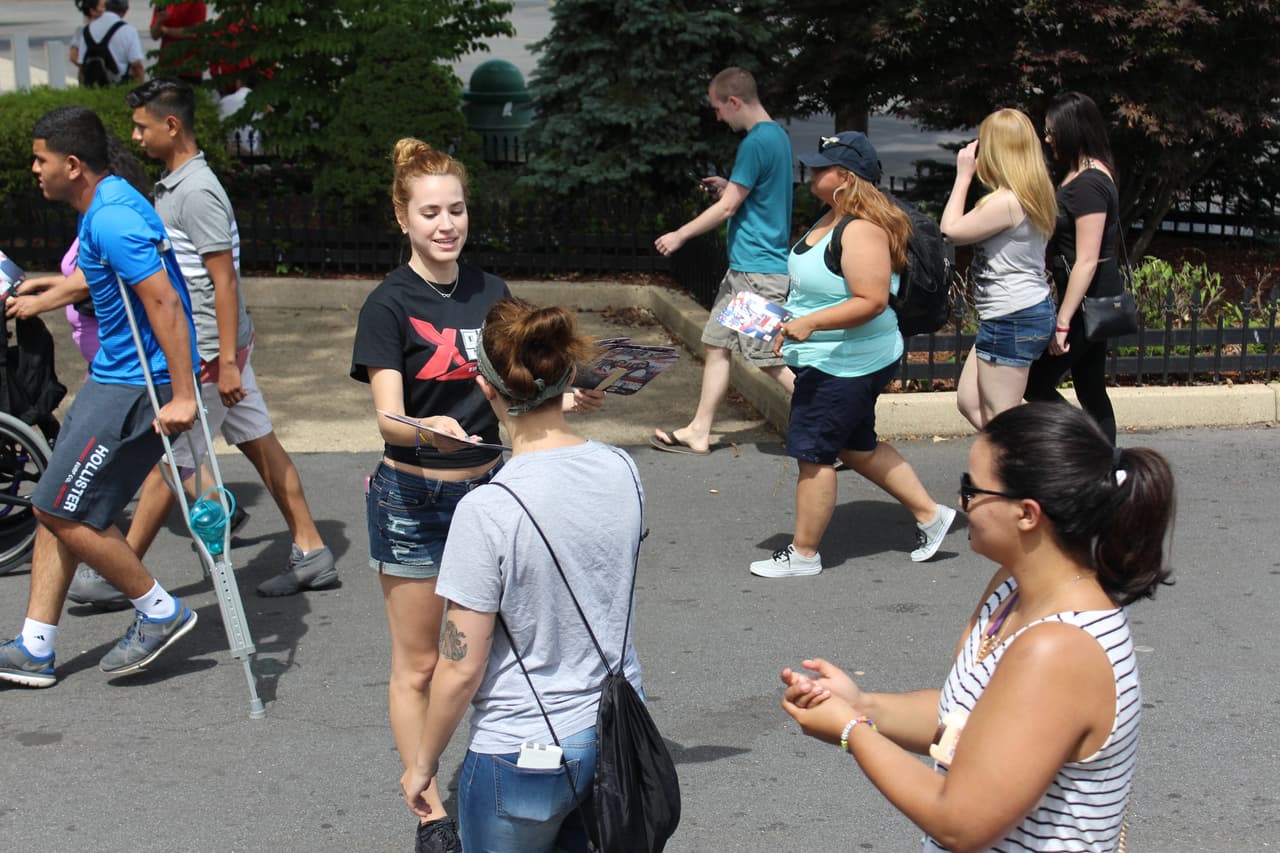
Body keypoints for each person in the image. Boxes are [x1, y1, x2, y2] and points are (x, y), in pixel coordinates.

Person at [351, 138, 603, 853]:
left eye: (455, 209)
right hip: (415, 498)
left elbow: (524, 382)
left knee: (487, 653)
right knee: (423, 661)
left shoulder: (495, 294)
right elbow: (386, 417)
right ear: (402, 217)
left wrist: (566, 395)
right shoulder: (387, 304)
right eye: (429, 212)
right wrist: (422, 427)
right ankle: (429, 808)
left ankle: (497, 775)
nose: (445, 223)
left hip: (494, 493)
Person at [780, 401, 1175, 851]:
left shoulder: (1060, 649)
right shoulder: (1012, 587)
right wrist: (862, 703)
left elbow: (962, 823)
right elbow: (966, 720)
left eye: (972, 489)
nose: (961, 502)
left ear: (1027, 513)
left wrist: (853, 731)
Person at [73, 77, 333, 603]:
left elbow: (224, 279)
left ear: (172, 126)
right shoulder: (175, 185)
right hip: (219, 349)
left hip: (212, 354)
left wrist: (228, 364)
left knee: (169, 462)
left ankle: (117, 572)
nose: (136, 136)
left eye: (143, 127)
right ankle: (313, 552)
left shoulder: (197, 191)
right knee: (259, 443)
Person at [400, 297, 646, 853]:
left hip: (524, 748)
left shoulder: (489, 509)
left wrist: (423, 763)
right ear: (567, 378)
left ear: (489, 390)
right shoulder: (623, 470)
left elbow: (461, 667)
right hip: (616, 731)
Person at [0, 105, 199, 688]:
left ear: (73, 164)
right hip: (115, 375)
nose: (34, 169)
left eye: (40, 160)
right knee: (58, 501)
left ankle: (160, 611)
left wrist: (184, 395)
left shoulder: (112, 218)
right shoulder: (106, 204)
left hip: (137, 382)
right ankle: (36, 646)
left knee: (57, 507)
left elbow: (164, 302)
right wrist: (49, 289)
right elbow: (106, 273)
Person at [750, 131, 956, 578]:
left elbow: (872, 300)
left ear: (846, 178)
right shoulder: (830, 217)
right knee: (856, 444)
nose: (813, 171)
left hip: (847, 362)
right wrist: (785, 318)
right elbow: (822, 288)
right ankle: (931, 515)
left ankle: (804, 555)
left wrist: (809, 324)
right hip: (833, 355)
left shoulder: (860, 228)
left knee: (814, 453)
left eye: (823, 167)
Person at [651, 66, 795, 455]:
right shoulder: (776, 136)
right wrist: (727, 187)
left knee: (766, 358)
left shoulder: (754, 143)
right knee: (716, 344)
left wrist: (680, 234)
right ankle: (699, 430)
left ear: (734, 102)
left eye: (718, 108)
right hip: (747, 270)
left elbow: (731, 207)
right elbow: (746, 196)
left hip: (756, 271)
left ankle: (835, 430)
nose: (717, 116)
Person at [941, 108, 1058, 429]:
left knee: (1003, 420)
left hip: (1012, 316)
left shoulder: (1007, 201)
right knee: (969, 401)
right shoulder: (1035, 192)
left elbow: (950, 230)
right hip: (1016, 312)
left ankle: (1038, 469)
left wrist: (963, 177)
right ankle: (1024, 463)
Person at [1024, 92, 1123, 444]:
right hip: (1086, 296)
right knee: (1091, 387)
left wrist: (1063, 321)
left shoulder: (1090, 183)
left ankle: (1084, 445)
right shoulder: (1085, 172)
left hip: (1086, 300)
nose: (1047, 138)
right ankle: (1106, 467)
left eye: (1052, 131)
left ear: (1072, 130)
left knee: (1036, 383)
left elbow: (1087, 258)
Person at [71, 0, 145, 86]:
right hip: (118, 88)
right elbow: (137, 66)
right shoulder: (129, 30)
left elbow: (81, 64)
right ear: (125, 10)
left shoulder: (87, 29)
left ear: (106, 6)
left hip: (91, 89)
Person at [149, 0, 207, 84]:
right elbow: (154, 35)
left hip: (189, 69)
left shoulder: (196, 2)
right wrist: (159, 21)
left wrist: (166, 30)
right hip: (166, 66)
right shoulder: (163, 2)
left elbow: (194, 31)